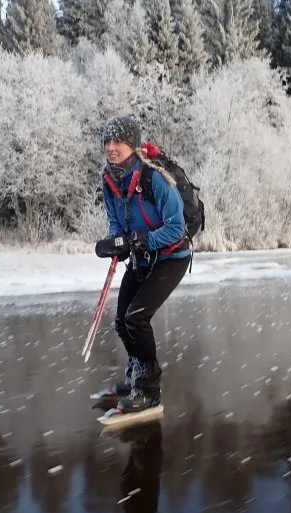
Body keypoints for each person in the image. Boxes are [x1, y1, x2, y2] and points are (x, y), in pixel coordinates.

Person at [93, 115, 191, 414]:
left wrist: (139, 240)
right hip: (142, 258)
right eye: (107, 142)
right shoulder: (109, 180)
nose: (111, 147)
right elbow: (114, 220)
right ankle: (135, 375)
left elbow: (177, 227)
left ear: (133, 145)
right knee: (122, 320)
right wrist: (115, 243)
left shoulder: (155, 178)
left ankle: (149, 391)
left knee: (137, 317)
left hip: (172, 257)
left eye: (118, 141)